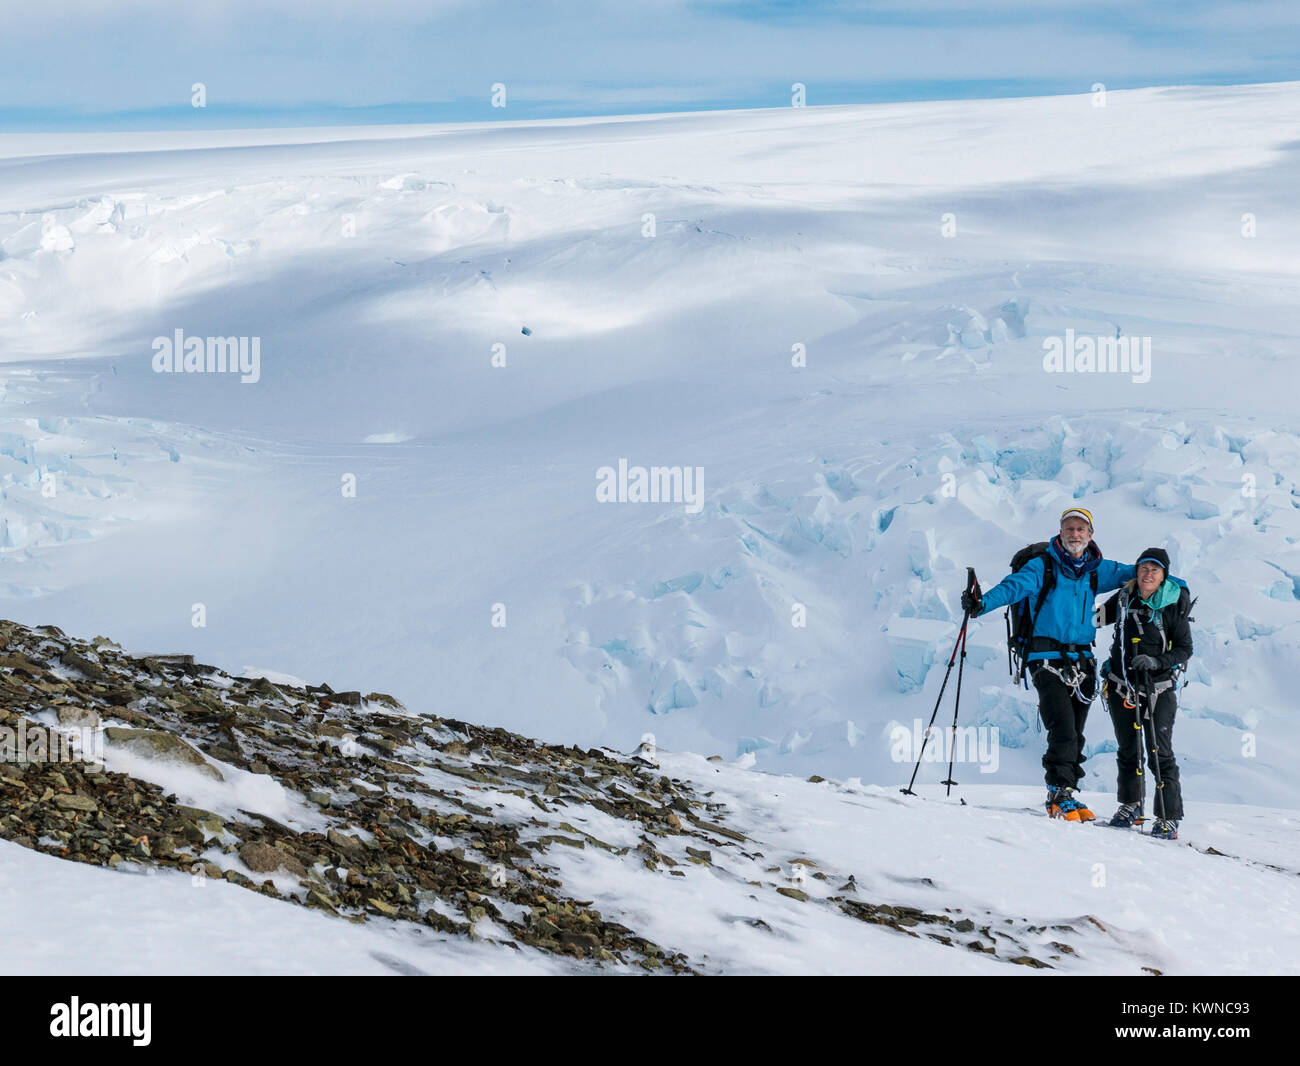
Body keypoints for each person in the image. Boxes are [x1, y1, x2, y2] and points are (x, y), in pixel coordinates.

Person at [961, 508, 1136, 821]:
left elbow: (1137, 573)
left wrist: (1168, 577)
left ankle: (1068, 792)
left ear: (1090, 534)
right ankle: (1057, 793)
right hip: (1045, 659)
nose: (1075, 534)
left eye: (1081, 529)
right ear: (1061, 532)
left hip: (1083, 660)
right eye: (1070, 529)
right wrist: (981, 603)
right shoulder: (1042, 566)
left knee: (1076, 732)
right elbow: (1013, 587)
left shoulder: (1096, 570)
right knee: (1063, 728)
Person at [1096, 547, 1192, 839]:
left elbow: (1184, 649)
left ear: (1164, 575)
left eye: (1155, 570)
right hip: (1121, 685)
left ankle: (1168, 817)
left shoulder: (1172, 605)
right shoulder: (1125, 599)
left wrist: (1156, 662)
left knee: (1159, 753)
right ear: (1136, 572)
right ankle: (1131, 806)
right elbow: (1096, 619)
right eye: (1143, 568)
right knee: (1129, 749)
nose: (1148, 574)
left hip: (1158, 689)